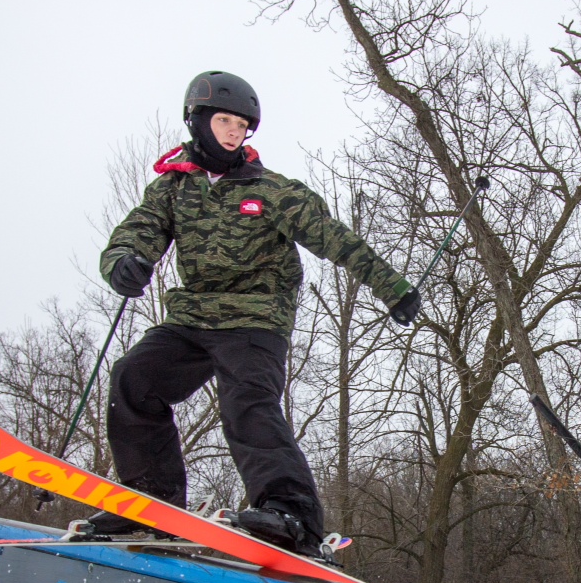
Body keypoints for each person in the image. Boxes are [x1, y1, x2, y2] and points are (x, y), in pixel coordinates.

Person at [84, 71, 420, 558]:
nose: (232, 133)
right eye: (223, 121)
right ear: (197, 122)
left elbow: (335, 238)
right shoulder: (172, 190)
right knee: (133, 378)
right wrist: (124, 264)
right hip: (193, 317)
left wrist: (393, 287)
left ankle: (291, 513)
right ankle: (153, 498)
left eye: (241, 126)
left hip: (256, 319)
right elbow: (138, 233)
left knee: (247, 403)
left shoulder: (273, 190)